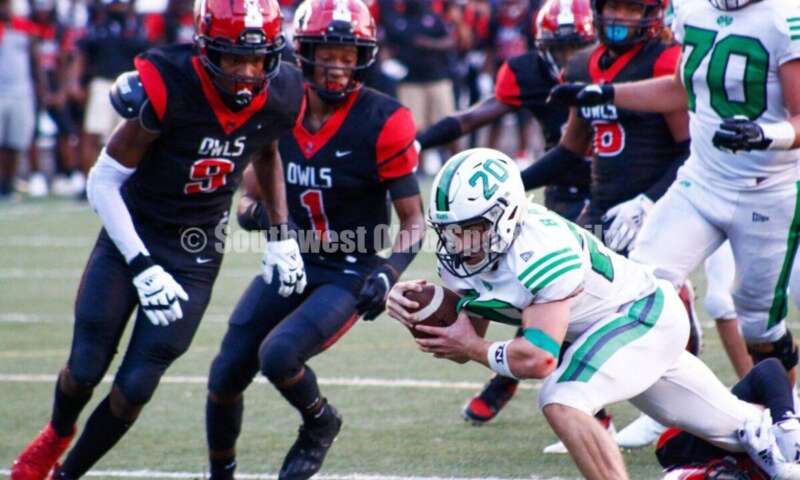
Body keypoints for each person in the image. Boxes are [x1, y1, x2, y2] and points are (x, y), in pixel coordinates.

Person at [10, 0, 306, 477]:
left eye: (257, 58)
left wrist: (282, 233)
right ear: (207, 50)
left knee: (136, 387)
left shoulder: (285, 92)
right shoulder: (170, 84)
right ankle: (56, 434)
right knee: (85, 367)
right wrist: (142, 264)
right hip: (134, 233)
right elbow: (102, 181)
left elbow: (267, 150)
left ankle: (67, 474)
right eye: (233, 58)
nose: (248, 72)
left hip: (195, 250)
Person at [386, 147, 800, 480]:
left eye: (471, 227)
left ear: (507, 214)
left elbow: (539, 358)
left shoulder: (541, 250)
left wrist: (474, 346)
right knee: (737, 429)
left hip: (641, 315)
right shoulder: (461, 254)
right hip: (611, 329)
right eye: (450, 229)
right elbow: (463, 340)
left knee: (563, 397)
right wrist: (415, 309)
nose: (459, 241)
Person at [550, 0, 800, 445]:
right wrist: (606, 93)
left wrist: (768, 135)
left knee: (758, 323)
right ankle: (676, 408)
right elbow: (683, 89)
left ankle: (786, 418)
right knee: (640, 289)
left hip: (769, 191)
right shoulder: (691, 10)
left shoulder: (784, 16)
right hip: (701, 182)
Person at [204, 1, 425, 479]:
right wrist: (274, 225)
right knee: (225, 374)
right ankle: (220, 473)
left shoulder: (384, 119)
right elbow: (245, 206)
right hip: (292, 261)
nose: (339, 66)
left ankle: (319, 424)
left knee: (279, 354)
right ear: (303, 52)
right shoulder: (279, 104)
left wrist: (388, 272)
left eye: (349, 55)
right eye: (329, 53)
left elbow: (414, 220)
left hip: (349, 267)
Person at [419, 0, 598, 429]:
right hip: (560, 190)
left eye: (577, 47)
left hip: (617, 184)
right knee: (545, 291)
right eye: (559, 48)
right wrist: (416, 142)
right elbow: (473, 116)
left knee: (599, 296)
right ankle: (518, 378)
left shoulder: (615, 70)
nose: (568, 59)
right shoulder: (527, 72)